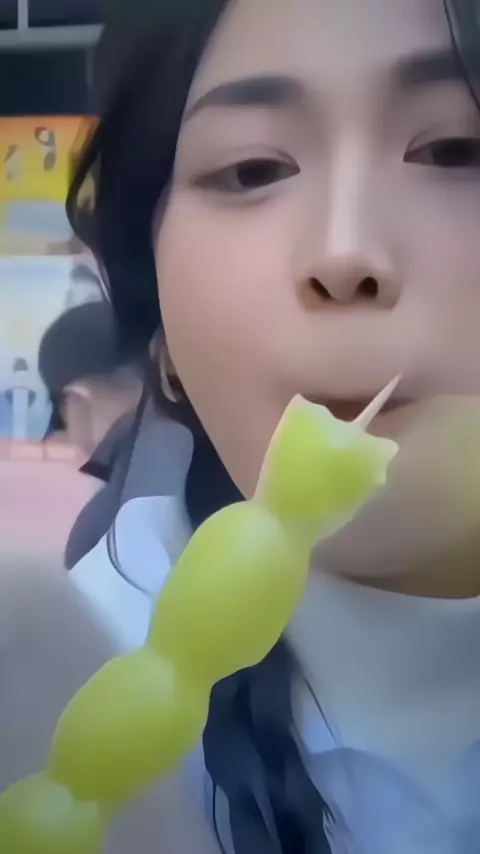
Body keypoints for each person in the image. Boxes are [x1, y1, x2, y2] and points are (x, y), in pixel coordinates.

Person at [2, 0, 480, 851]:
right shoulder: (41, 693)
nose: (345, 254)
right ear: (160, 333)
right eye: (254, 169)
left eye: (455, 151)